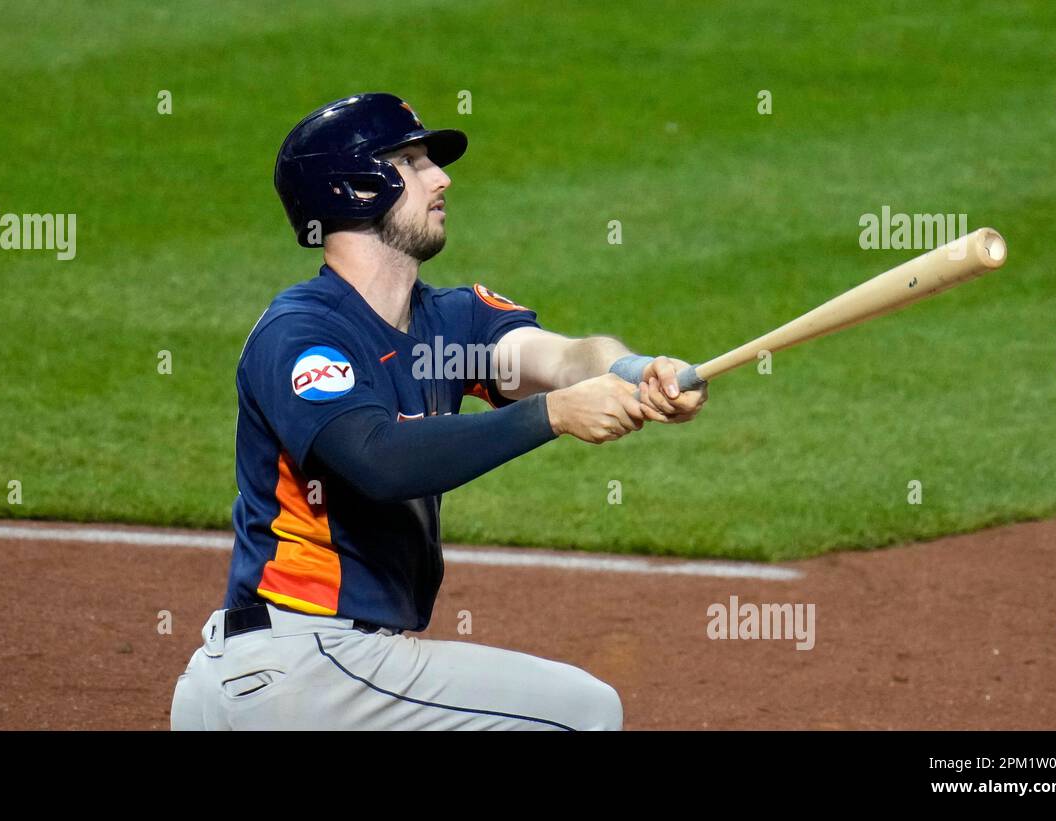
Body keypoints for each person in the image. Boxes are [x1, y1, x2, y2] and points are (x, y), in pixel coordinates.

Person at [169, 93, 706, 731]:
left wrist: (632, 371)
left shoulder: (450, 321)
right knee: (583, 713)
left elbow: (562, 357)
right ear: (355, 188)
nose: (442, 177)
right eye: (414, 162)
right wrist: (554, 416)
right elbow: (377, 460)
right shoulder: (302, 332)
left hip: (294, 678)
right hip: (303, 666)